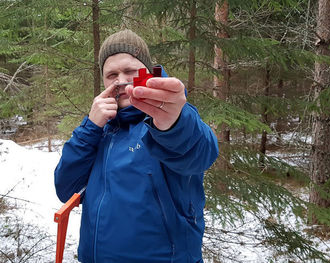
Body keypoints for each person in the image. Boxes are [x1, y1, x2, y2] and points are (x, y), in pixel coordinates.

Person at [54, 29, 218, 263]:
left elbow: (201, 154)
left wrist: (172, 123)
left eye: (129, 71)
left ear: (147, 73)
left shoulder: (167, 119)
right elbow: (65, 187)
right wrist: (90, 127)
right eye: (111, 74)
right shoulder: (100, 129)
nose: (120, 81)